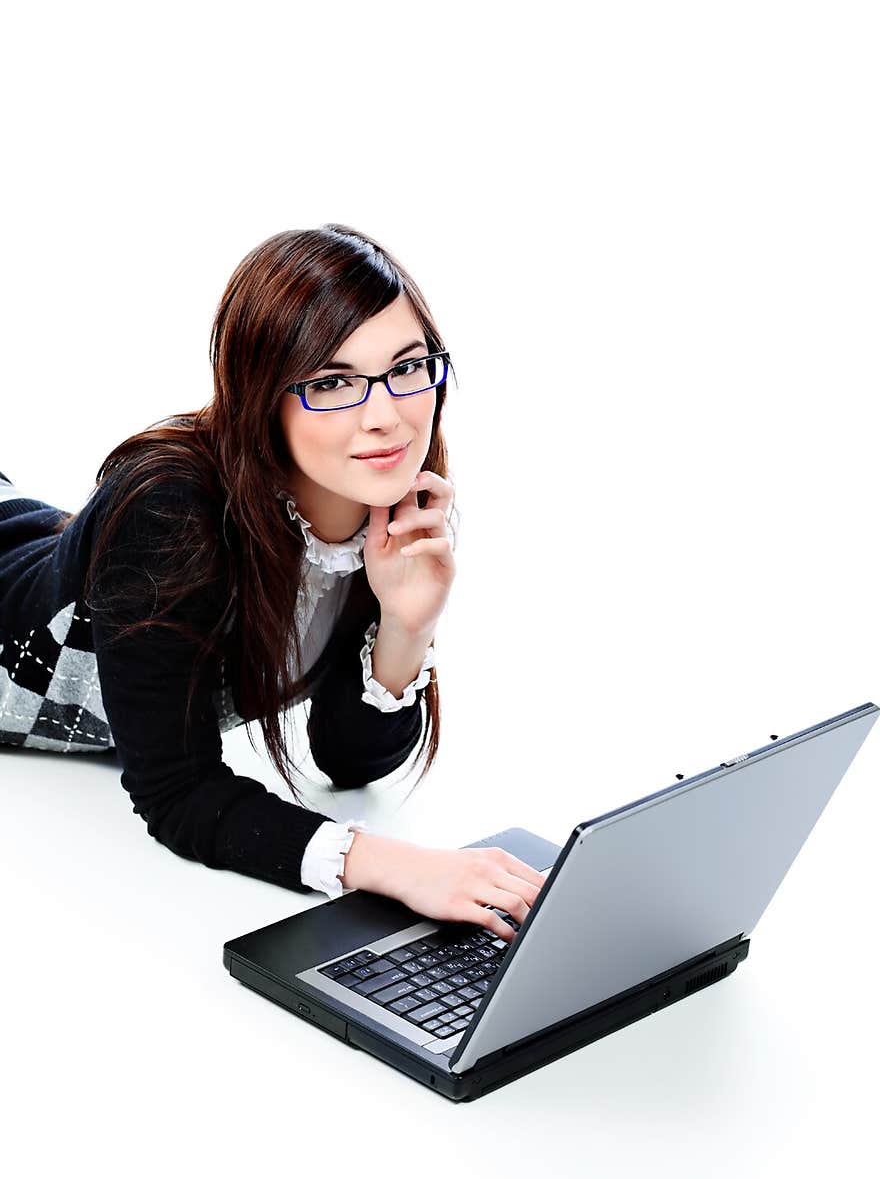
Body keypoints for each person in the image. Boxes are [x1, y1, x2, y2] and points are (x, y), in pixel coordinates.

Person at [0, 223, 544, 942]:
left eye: (407, 368)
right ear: (262, 396)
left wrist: (406, 626)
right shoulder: (170, 512)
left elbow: (345, 762)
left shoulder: (366, 513)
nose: (386, 415)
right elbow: (177, 795)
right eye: (331, 382)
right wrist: (397, 868)